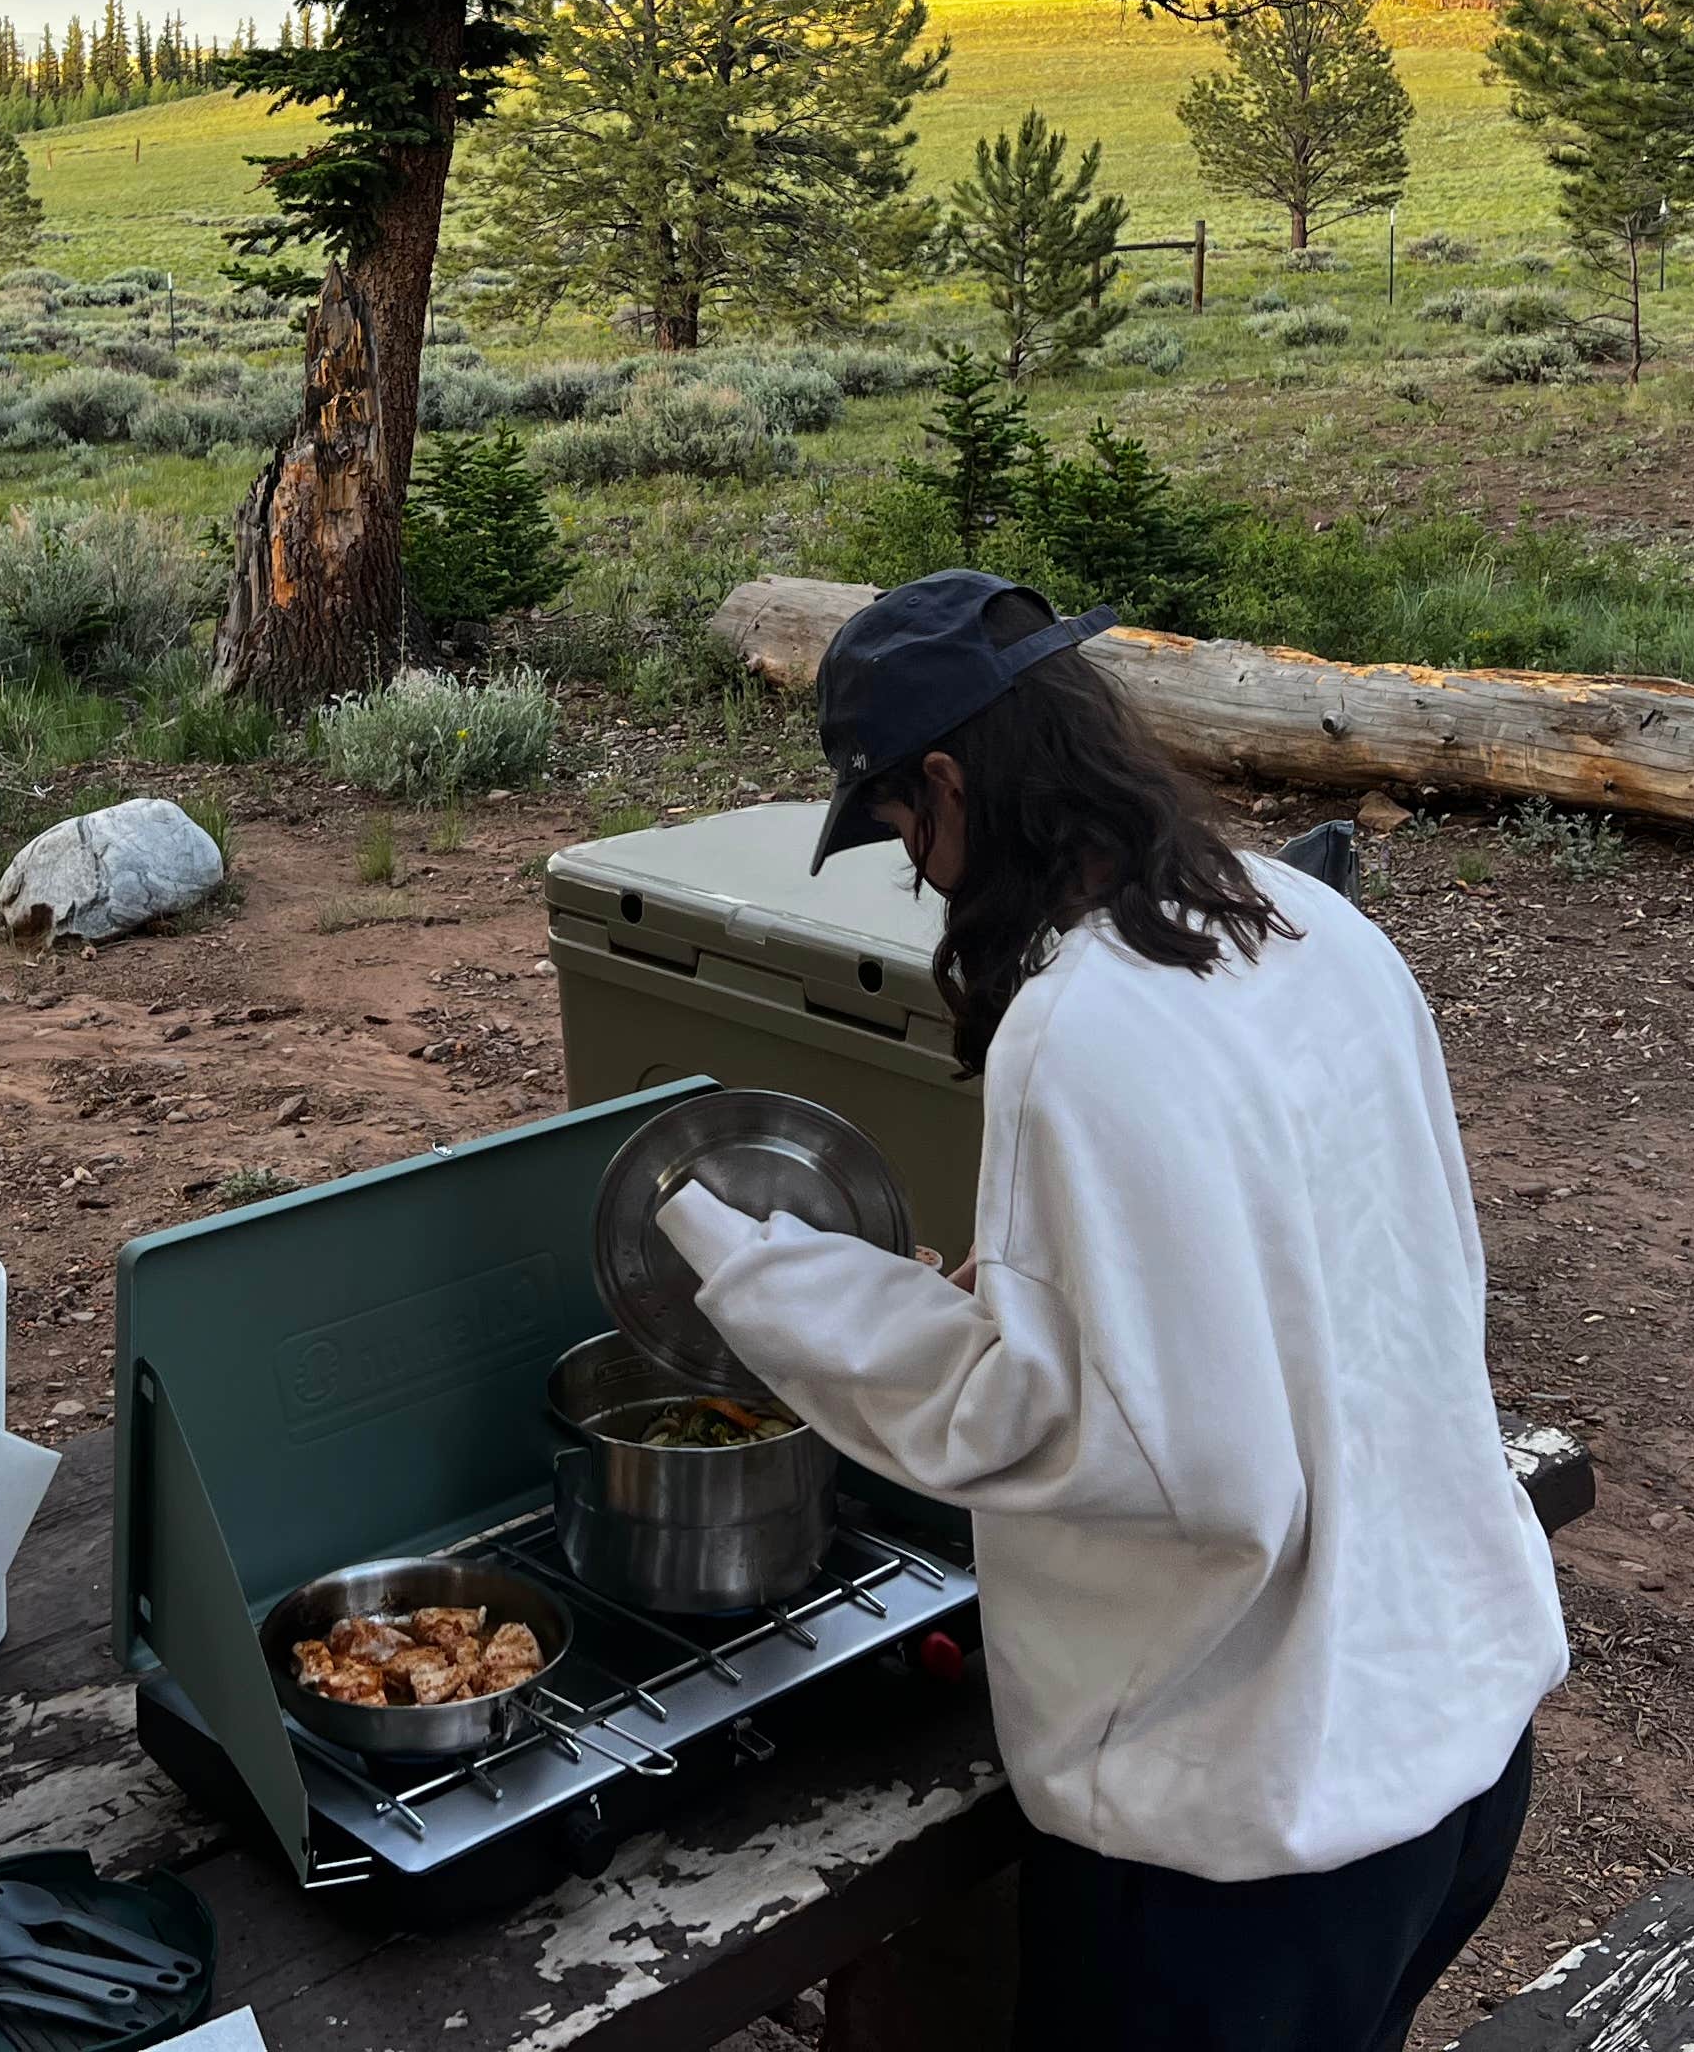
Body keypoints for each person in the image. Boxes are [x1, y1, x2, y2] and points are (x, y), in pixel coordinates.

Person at [654, 569, 1565, 2052]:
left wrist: (769, 1277)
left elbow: (1139, 1457)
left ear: (947, 781)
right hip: (1457, 1735)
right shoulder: (1309, 922)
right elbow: (1375, 1278)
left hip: (1252, 1838)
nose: (923, 873)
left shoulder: (1080, 1032)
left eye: (904, 835)